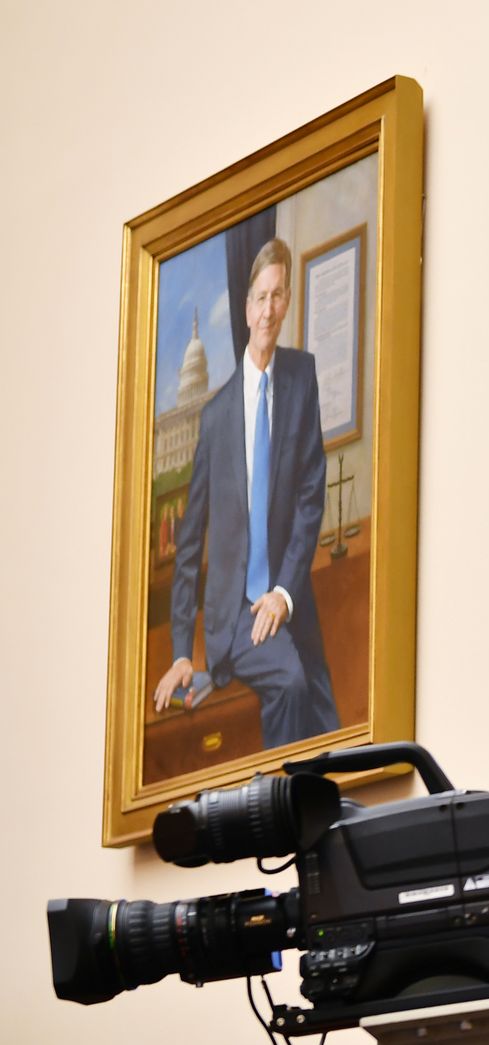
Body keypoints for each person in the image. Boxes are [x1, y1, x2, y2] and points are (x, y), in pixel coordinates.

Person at [152, 238, 340, 749]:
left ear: (287, 301)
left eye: (279, 296)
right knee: (294, 684)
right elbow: (189, 544)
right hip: (234, 613)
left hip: (284, 597)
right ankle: (277, 795)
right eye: (260, 297)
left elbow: (309, 496)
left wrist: (282, 592)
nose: (269, 309)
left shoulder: (302, 377)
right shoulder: (215, 419)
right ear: (246, 305)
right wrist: (180, 653)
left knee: (331, 718)